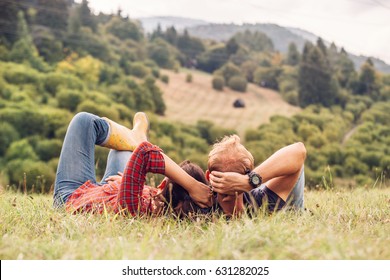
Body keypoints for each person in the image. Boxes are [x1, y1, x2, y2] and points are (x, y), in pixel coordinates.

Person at [53, 112, 212, 216]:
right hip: (108, 193)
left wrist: (192, 185)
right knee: (121, 151)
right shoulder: (157, 205)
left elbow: (143, 152)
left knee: (84, 122)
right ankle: (133, 138)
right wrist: (125, 184)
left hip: (73, 199)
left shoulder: (132, 205)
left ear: (163, 184)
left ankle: (137, 137)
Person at [207, 135, 306, 217]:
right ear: (251, 172)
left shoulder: (201, 206)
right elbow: (299, 150)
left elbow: (298, 150)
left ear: (208, 176)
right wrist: (250, 181)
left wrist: (247, 181)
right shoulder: (263, 202)